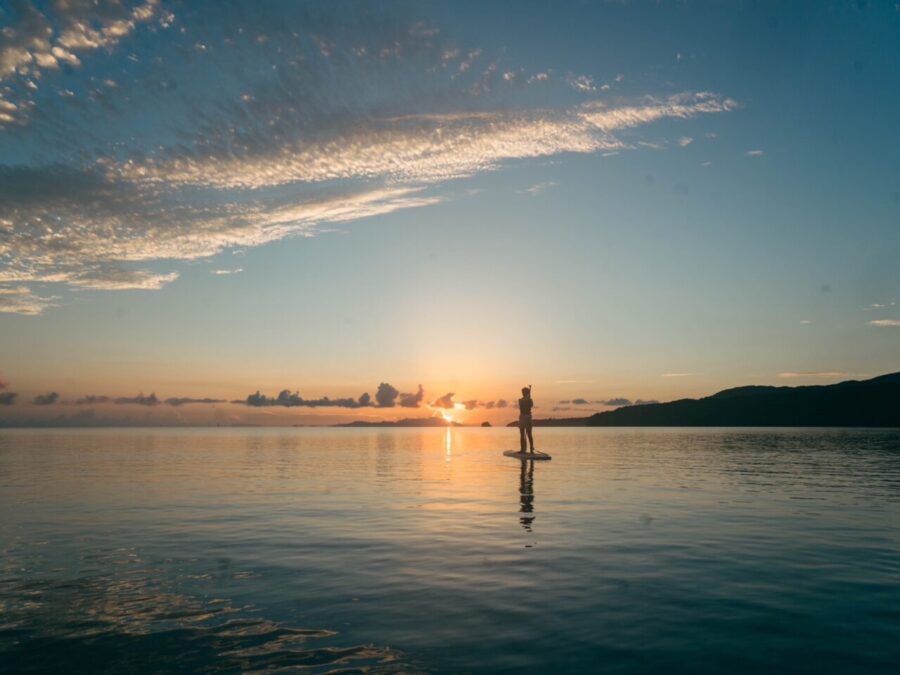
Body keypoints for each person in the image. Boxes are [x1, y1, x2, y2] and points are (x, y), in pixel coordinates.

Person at [518, 385, 535, 453]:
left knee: (528, 434)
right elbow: (523, 406)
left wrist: (528, 399)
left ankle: (530, 448)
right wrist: (528, 399)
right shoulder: (521, 400)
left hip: (525, 417)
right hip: (526, 417)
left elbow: (530, 405)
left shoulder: (526, 400)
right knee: (525, 434)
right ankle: (523, 449)